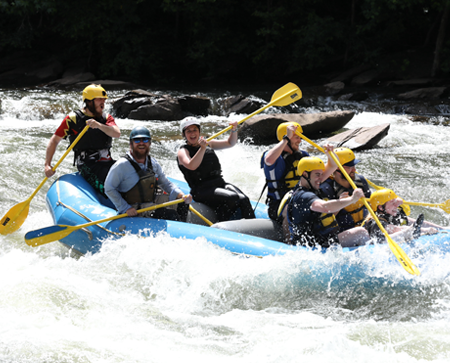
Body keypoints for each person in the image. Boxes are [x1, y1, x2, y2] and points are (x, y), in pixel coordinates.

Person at [44, 84, 120, 196]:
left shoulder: (106, 118)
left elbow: (116, 133)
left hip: (106, 161)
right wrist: (47, 165)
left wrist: (99, 125)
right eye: (99, 99)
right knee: (110, 185)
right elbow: (54, 140)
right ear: (89, 101)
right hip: (86, 165)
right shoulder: (73, 119)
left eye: (104, 99)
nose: (103, 102)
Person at [105, 126, 192, 221]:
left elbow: (165, 183)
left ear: (150, 143)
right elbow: (109, 188)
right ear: (131, 144)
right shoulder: (122, 165)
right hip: (135, 206)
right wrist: (125, 208)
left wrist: (180, 194)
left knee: (182, 202)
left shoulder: (153, 163)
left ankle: (184, 227)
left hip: (151, 200)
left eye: (145, 140)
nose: (141, 143)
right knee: (170, 215)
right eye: (137, 140)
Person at [176, 117, 255, 222]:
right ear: (184, 134)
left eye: (195, 129)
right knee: (232, 197)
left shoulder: (208, 143)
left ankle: (252, 226)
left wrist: (234, 129)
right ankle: (221, 222)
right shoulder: (183, 151)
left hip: (219, 183)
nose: (192, 133)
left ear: (199, 131)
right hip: (201, 190)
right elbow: (192, 166)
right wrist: (202, 149)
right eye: (188, 131)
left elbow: (230, 143)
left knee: (243, 199)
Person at [288, 156, 371, 248]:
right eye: (317, 175)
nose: (321, 178)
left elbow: (333, 166)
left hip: (325, 239)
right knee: (360, 232)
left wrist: (329, 152)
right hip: (315, 246)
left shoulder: (311, 183)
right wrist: (352, 199)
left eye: (321, 174)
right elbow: (324, 207)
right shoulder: (303, 196)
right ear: (305, 174)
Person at [261, 122, 310, 222]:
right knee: (290, 209)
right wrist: (286, 138)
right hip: (278, 205)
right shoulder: (274, 157)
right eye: (296, 137)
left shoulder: (303, 155)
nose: (300, 141)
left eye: (300, 137)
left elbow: (318, 176)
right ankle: (289, 238)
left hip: (300, 199)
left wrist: (332, 161)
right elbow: (269, 160)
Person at [320, 147, 371, 231]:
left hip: (363, 228)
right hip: (342, 233)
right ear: (337, 168)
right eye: (350, 167)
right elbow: (324, 222)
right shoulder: (326, 188)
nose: (354, 170)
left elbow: (371, 205)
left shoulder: (360, 181)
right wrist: (340, 204)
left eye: (354, 166)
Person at [363, 188, 441, 243]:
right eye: (393, 203)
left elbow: (411, 221)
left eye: (396, 202)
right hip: (381, 244)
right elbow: (395, 229)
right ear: (380, 207)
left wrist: (441, 228)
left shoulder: (392, 213)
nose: (396, 205)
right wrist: (424, 230)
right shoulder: (375, 222)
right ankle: (410, 231)